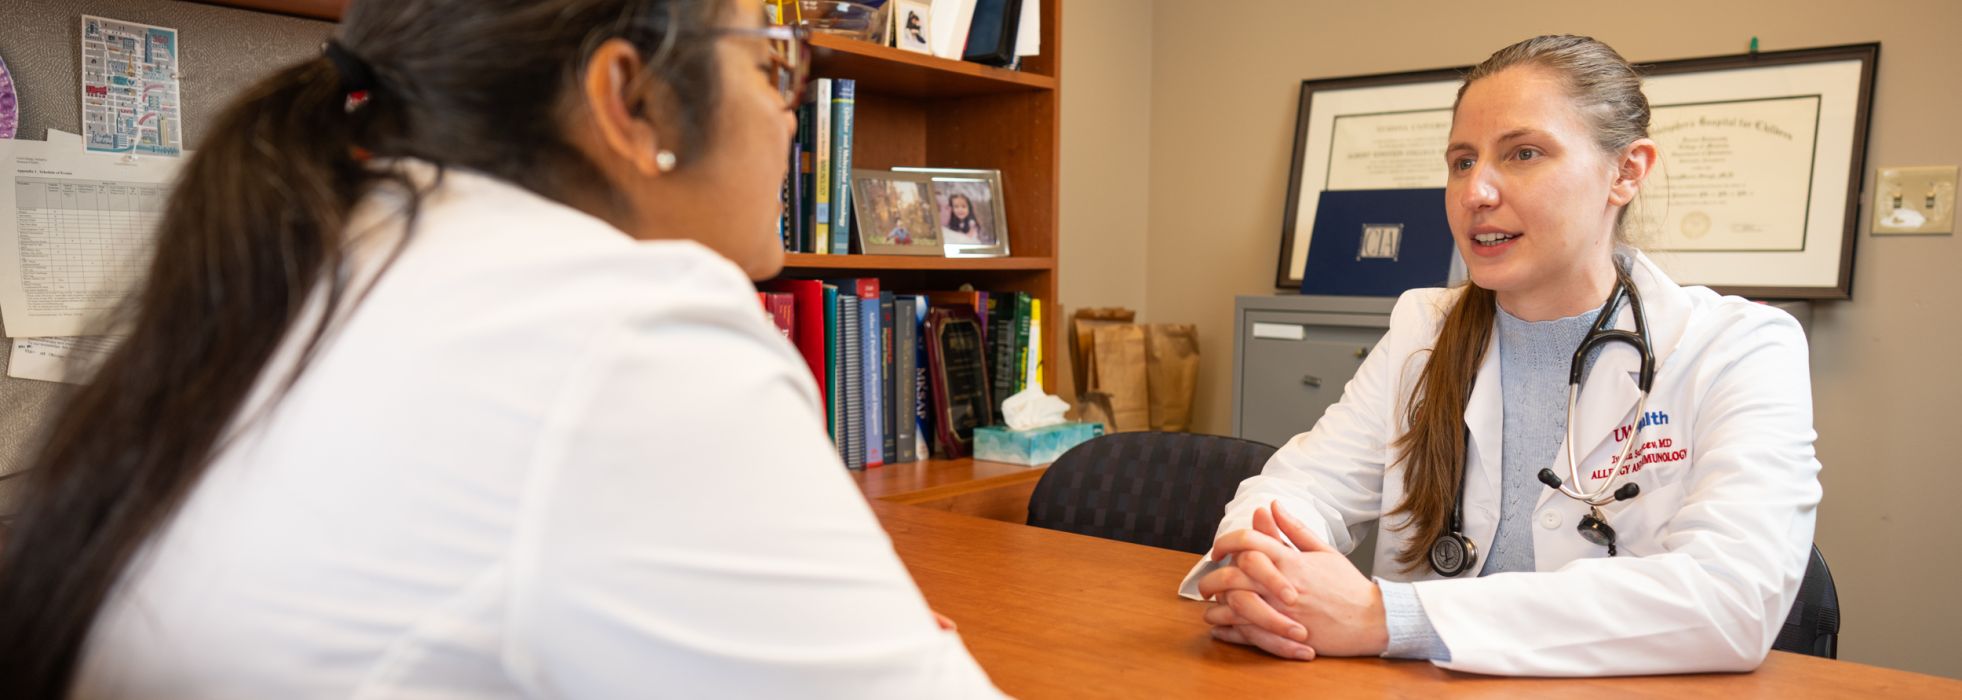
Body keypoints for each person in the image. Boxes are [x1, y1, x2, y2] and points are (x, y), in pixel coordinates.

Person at [0, 0, 1003, 697]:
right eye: (775, 62)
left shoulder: (315, 258)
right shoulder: (625, 334)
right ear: (634, 99)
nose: (794, 108)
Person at [1185, 35, 1821, 677]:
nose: (1476, 192)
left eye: (1523, 153)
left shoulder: (1738, 347)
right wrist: (1263, 573)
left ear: (1626, 172)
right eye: (1462, 161)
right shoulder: (1424, 329)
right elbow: (1302, 487)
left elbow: (1733, 600)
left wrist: (1387, 617)